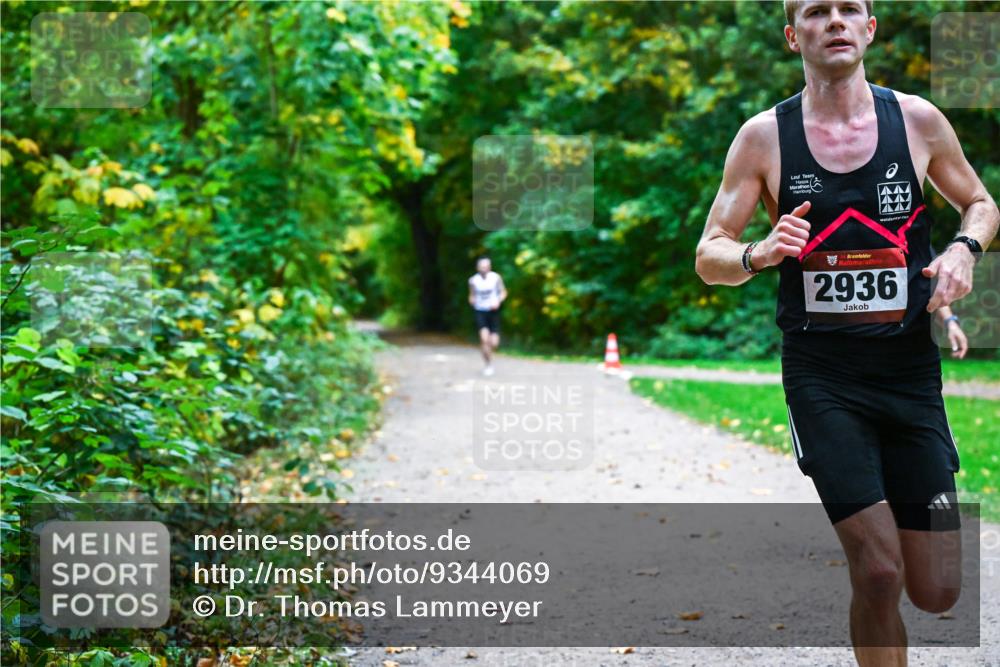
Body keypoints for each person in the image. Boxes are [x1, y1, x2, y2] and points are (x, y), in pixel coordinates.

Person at [694, 1, 998, 665]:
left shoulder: (916, 121)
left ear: (869, 29)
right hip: (822, 376)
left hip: (910, 374)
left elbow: (981, 202)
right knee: (880, 570)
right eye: (815, 11)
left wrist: (963, 251)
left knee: (940, 588)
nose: (833, 20)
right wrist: (759, 252)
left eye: (848, 9)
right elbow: (709, 252)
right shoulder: (763, 137)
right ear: (791, 34)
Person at [468, 257, 507, 376]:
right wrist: (472, 301)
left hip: (493, 311)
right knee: (484, 339)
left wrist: (498, 301)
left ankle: (488, 354)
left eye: (486, 267)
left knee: (494, 343)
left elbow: (503, 292)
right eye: (481, 267)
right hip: (480, 311)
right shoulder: (473, 280)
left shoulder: (495, 278)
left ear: (489, 267)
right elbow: (472, 295)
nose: (484, 269)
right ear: (478, 267)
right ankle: (488, 365)